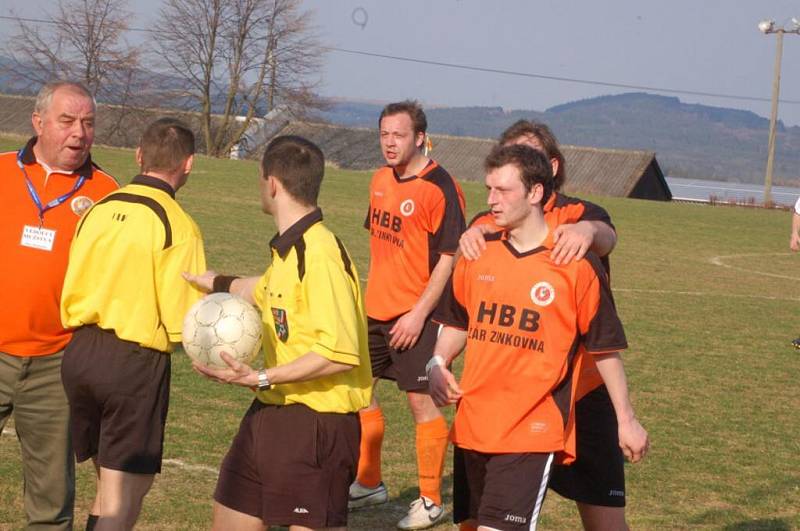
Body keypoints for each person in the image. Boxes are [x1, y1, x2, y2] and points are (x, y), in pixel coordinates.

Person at [429, 144, 649, 531]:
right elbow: (458, 323)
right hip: (473, 424)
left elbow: (605, 350)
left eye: (503, 191)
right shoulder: (478, 255)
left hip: (530, 429)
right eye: (489, 190)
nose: (491, 202)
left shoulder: (576, 267)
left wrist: (626, 420)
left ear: (535, 193)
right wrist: (436, 363)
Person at [184, 135, 372, 531]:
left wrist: (260, 376)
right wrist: (214, 281)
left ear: (271, 183)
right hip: (270, 413)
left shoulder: (319, 253)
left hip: (318, 425)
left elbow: (339, 352)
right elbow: (263, 290)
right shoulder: (290, 249)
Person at [59, 117, 206, 530]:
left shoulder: (98, 208)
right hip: (132, 366)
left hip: (80, 353)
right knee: (126, 496)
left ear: (139, 155)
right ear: (189, 164)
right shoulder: (178, 225)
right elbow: (183, 322)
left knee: (107, 487)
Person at [0, 80, 119, 530]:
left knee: (50, 502)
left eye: (88, 123)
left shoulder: (109, 193)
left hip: (56, 364)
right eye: (67, 121)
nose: (79, 133)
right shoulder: (1, 171)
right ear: (38, 122)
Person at [351, 100, 465, 529]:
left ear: (420, 137)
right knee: (358, 392)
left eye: (398, 135)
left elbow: (449, 258)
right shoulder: (380, 179)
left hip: (419, 317)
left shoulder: (439, 187)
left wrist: (418, 314)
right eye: (384, 135)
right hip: (375, 311)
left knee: (421, 404)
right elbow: (385, 248)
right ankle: (369, 481)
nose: (390, 143)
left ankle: (432, 500)